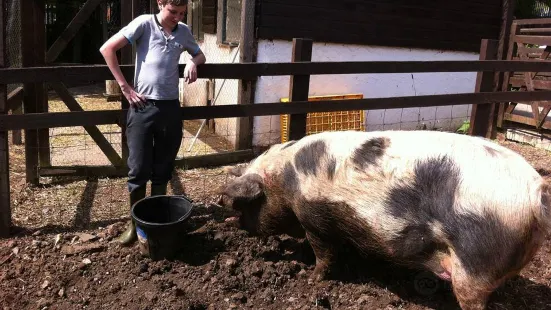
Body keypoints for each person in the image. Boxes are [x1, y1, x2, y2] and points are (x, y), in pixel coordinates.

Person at [99, 0, 206, 245]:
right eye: (172, 11)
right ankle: (135, 225)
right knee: (138, 170)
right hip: (142, 106)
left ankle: (156, 221)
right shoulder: (144, 24)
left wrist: (192, 61)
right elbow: (108, 49)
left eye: (181, 13)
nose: (177, 17)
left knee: (163, 168)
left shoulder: (183, 31)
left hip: (169, 108)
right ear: (160, 3)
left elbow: (200, 54)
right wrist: (125, 88)